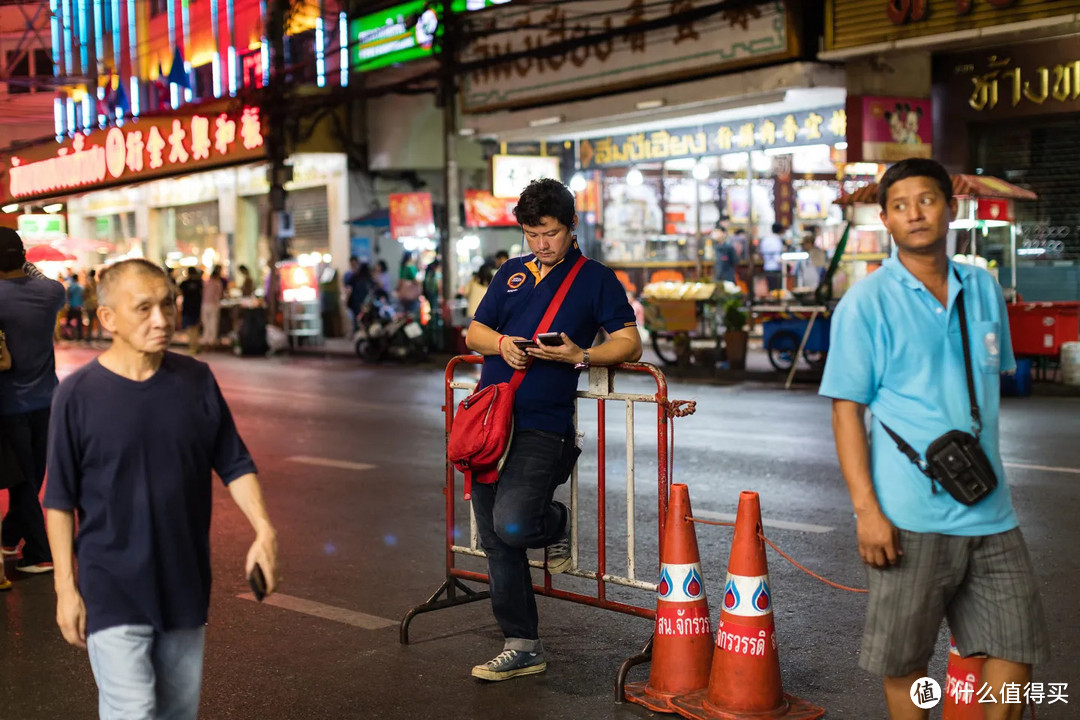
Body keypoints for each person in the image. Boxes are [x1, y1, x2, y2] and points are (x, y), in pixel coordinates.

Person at [819, 158, 1047, 720]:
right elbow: (847, 411)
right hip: (908, 515)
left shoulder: (985, 289)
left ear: (951, 207)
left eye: (926, 200)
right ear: (886, 220)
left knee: (1017, 650)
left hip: (990, 509)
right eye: (900, 205)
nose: (915, 213)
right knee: (906, 662)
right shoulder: (866, 303)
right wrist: (866, 511)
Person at [43, 258, 278, 720]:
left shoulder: (196, 381)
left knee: (175, 713)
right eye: (144, 308)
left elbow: (234, 462)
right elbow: (59, 500)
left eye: (168, 304)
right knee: (133, 711)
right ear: (108, 318)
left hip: (184, 584)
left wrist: (264, 531)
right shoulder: (78, 395)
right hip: (111, 588)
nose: (162, 319)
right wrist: (65, 588)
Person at [465, 178, 642, 681]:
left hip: (543, 425)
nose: (541, 244)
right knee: (496, 541)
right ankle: (521, 644)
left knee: (514, 525)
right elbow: (474, 332)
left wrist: (580, 356)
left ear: (572, 228)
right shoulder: (511, 273)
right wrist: (502, 345)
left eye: (550, 233)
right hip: (490, 422)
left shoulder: (595, 279)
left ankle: (555, 521)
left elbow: (630, 343)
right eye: (531, 234)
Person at [0, 228, 63, 573]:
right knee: (31, 476)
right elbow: (43, 279)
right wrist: (28, 267)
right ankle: (9, 537)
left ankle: (40, 554)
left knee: (22, 481)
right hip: (47, 401)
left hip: (9, 405)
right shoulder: (51, 292)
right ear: (23, 257)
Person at [179, 267, 203, 354]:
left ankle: (192, 346)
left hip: (187, 307)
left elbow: (179, 292)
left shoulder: (185, 283)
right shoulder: (199, 282)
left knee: (189, 328)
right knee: (195, 327)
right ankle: (195, 345)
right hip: (196, 307)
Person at [200, 264, 224, 349]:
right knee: (213, 323)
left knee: (206, 323)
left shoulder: (207, 282)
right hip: (214, 304)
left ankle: (206, 341)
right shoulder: (218, 283)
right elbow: (220, 295)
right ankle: (211, 341)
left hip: (205, 304)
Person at [760, 222, 785, 292]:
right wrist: (789, 262)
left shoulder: (766, 239)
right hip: (775, 269)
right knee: (777, 292)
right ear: (781, 231)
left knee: (771, 290)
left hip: (767, 268)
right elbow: (777, 258)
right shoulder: (776, 241)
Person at [66, 272, 85, 341]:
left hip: (71, 306)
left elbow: (67, 297)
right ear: (77, 279)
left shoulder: (70, 287)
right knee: (79, 322)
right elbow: (83, 297)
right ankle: (79, 336)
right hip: (78, 306)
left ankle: (69, 335)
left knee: (69, 322)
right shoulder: (80, 288)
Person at [84, 268, 100, 341]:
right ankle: (99, 337)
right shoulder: (97, 284)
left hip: (90, 305)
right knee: (98, 322)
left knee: (90, 322)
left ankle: (89, 337)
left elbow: (84, 295)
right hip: (96, 304)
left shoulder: (88, 284)